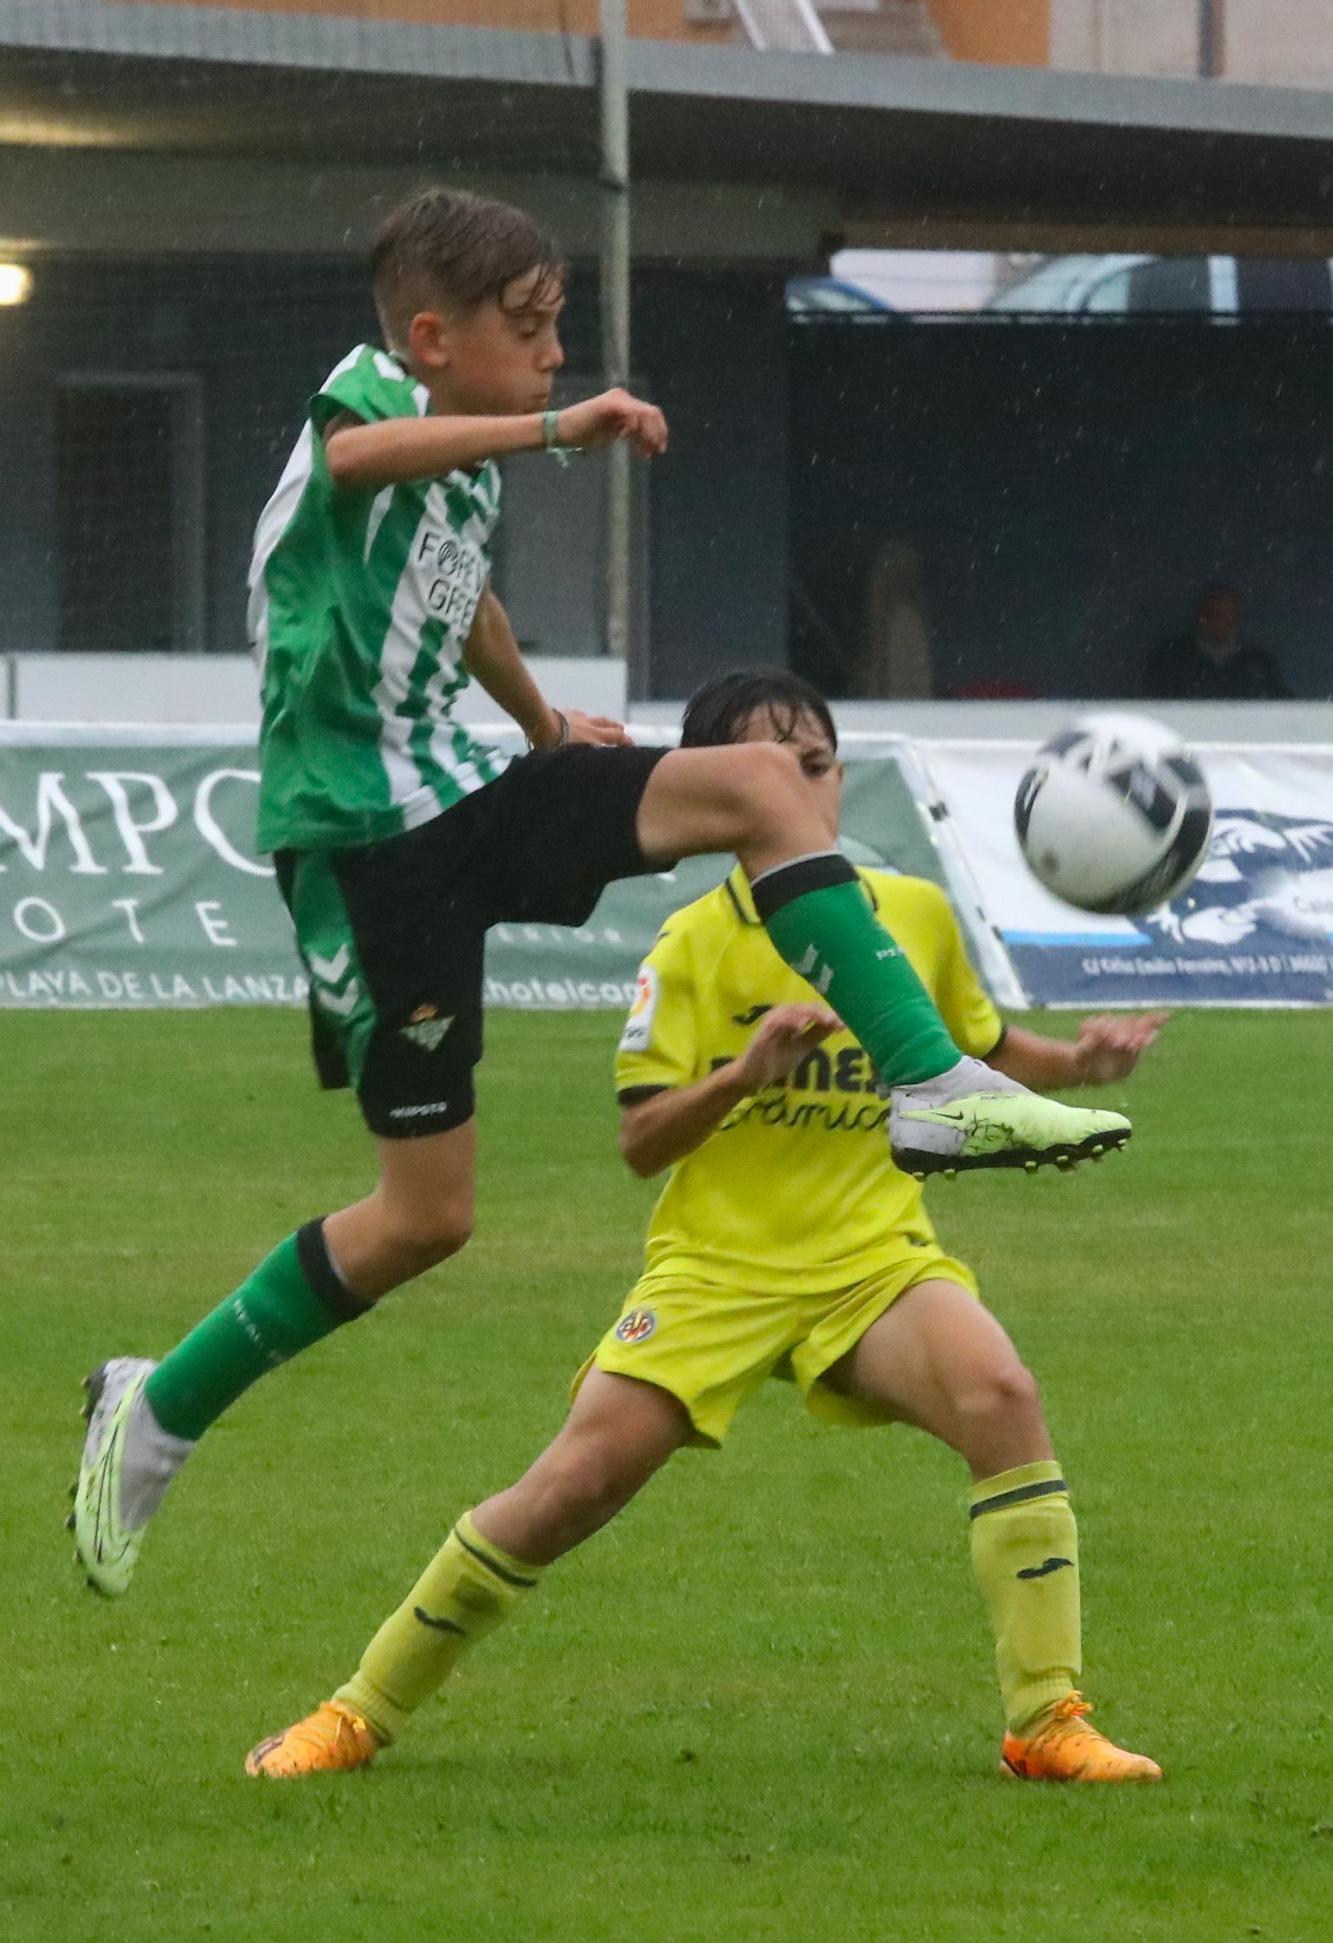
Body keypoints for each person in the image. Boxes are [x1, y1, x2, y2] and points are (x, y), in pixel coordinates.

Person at [71, 190, 1129, 1602]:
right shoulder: (371, 397)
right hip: (365, 842)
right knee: (423, 1218)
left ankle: (929, 1080)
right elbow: (360, 462)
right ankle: (161, 1404)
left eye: (561, 332)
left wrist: (543, 729)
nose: (556, 356)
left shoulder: (468, 461)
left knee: (757, 786)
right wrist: (556, 431)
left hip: (462, 791)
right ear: (434, 338)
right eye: (530, 330)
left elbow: (462, 601)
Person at [245, 669, 1163, 1787]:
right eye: (774, 768)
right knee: (566, 1489)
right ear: (719, 791)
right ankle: (353, 1714)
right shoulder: (687, 944)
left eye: (815, 764)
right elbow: (640, 1143)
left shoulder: (908, 914)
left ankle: (1046, 1720)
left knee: (1002, 1396)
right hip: (715, 1272)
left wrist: (1079, 1061)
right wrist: (744, 1072)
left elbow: (979, 1042)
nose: (802, 786)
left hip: (871, 1264)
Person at [1146, 584, 1288, 700]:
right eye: (1215, 613)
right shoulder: (1171, 659)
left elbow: (1282, 707)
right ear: (1201, 615)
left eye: (1227, 614)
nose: (1220, 621)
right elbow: (1152, 708)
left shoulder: (1258, 663)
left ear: (1236, 618)